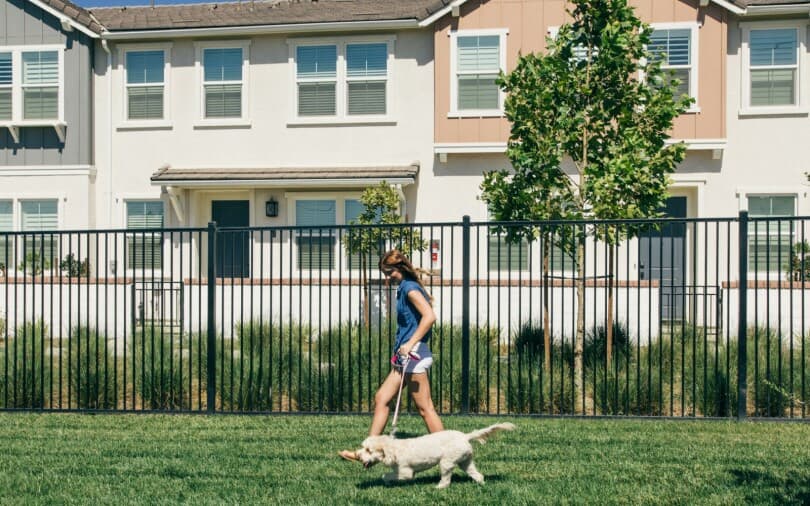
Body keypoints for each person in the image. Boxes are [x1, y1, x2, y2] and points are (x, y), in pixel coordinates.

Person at [339, 249, 443, 462]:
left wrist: (410, 344)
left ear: (399, 268)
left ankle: (447, 450)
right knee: (382, 398)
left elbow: (429, 317)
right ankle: (367, 452)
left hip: (414, 355)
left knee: (425, 408)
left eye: (389, 273)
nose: (388, 278)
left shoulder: (410, 289)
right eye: (385, 274)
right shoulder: (403, 287)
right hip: (406, 356)